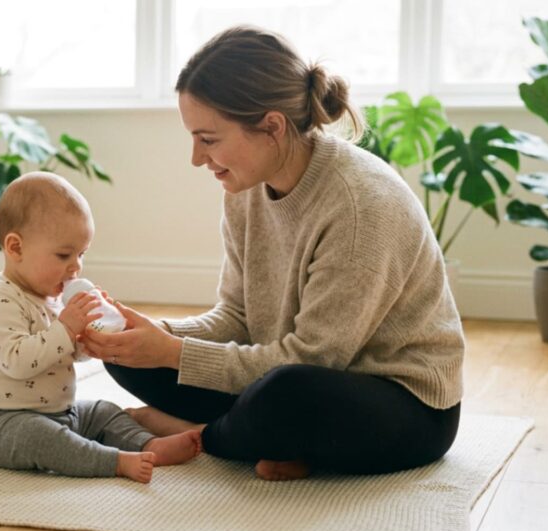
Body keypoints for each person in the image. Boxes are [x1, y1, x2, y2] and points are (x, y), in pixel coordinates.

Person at [82, 26, 464, 481]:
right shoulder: (244, 187)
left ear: (272, 127)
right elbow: (238, 316)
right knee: (129, 354)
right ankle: (269, 443)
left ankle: (202, 434)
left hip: (404, 403)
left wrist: (174, 352)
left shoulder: (360, 206)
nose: (196, 158)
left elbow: (316, 360)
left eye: (208, 139)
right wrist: (155, 336)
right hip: (285, 374)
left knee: (286, 395)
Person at [0, 171, 202, 483]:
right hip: (2, 423)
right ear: (16, 248)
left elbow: (67, 355)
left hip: (60, 413)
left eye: (81, 254)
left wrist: (89, 334)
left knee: (101, 411)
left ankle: (148, 444)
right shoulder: (1, 300)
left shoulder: (49, 296)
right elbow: (18, 362)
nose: (76, 266)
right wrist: (65, 329)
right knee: (42, 437)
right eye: (64, 254)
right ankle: (115, 461)